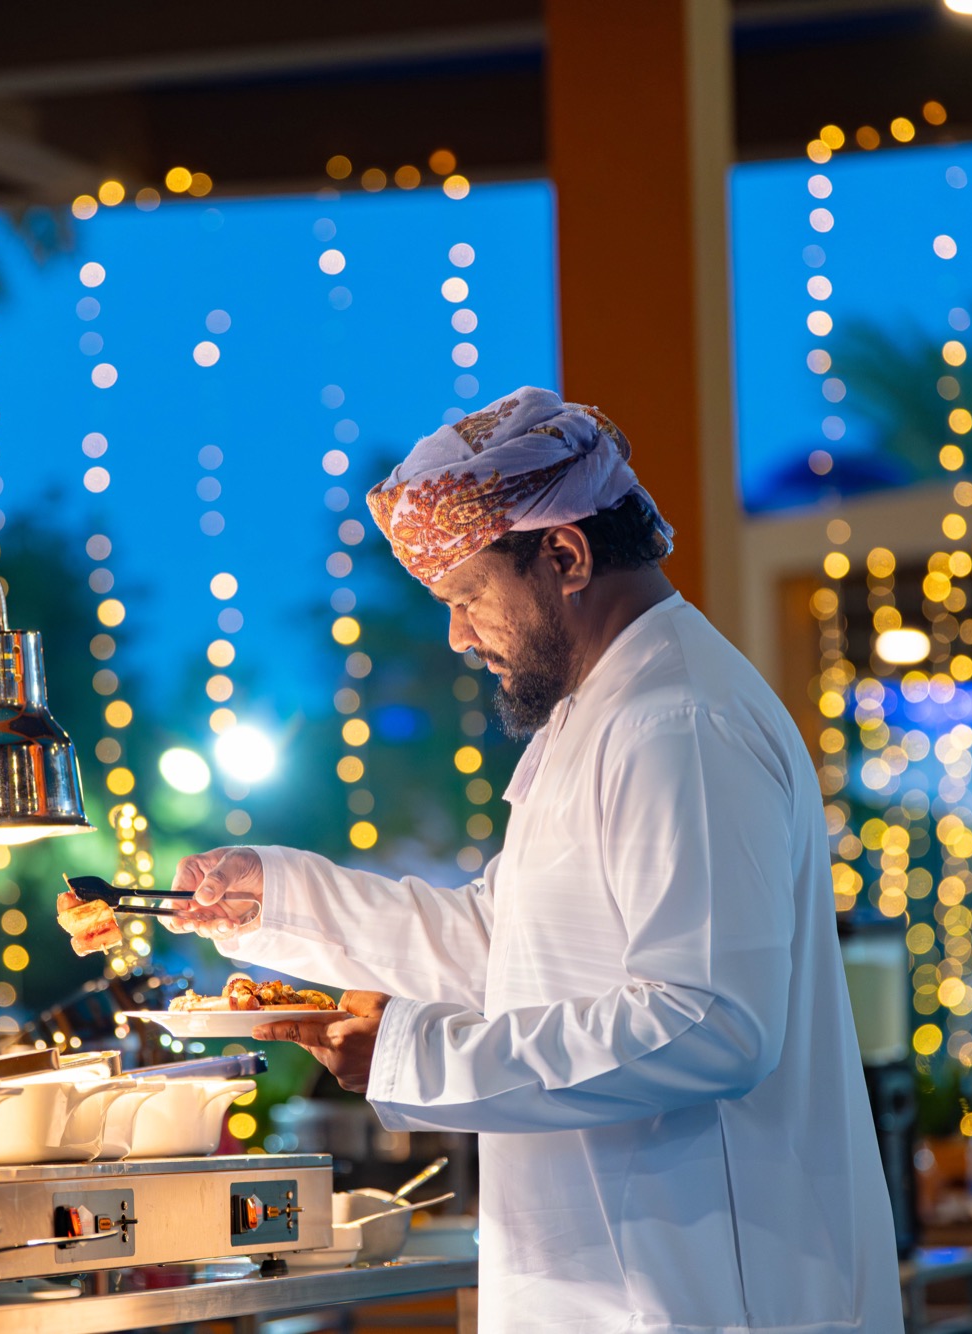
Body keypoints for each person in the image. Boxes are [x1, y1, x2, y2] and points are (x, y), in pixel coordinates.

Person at [169, 389, 901, 1333]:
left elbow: (711, 1024)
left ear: (564, 556)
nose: (459, 637)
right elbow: (506, 947)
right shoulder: (595, 715)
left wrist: (417, 1052)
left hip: (704, 1302)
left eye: (468, 598)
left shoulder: (678, 722)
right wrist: (274, 900)